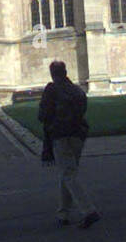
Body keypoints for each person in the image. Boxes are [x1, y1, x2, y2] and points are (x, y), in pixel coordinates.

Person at [37, 60, 100, 228]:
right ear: (65, 72)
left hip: (61, 136)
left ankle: (88, 211)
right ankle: (63, 213)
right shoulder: (77, 90)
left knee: (68, 173)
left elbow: (42, 114)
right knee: (67, 172)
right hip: (78, 136)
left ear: (52, 74)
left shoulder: (52, 89)